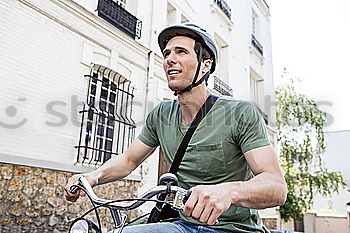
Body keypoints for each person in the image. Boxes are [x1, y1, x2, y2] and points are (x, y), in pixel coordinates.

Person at [65, 23, 288, 233]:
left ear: (205, 65)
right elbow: (128, 161)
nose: (170, 59)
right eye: (167, 53)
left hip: (231, 228)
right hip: (182, 223)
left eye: (181, 52)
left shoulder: (240, 113)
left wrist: (229, 191)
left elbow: (276, 186)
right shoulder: (161, 114)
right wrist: (92, 176)